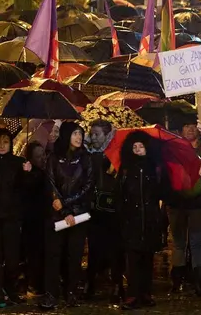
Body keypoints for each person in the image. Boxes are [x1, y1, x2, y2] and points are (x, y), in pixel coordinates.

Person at [40, 122, 94, 310]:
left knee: (74, 255)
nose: (79, 137)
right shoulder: (53, 158)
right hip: (56, 216)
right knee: (53, 256)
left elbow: (87, 187)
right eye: (74, 133)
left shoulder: (86, 159)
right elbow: (51, 185)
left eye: (80, 133)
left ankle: (71, 291)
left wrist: (70, 210)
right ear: (66, 136)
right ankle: (51, 294)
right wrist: (63, 211)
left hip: (78, 216)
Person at [116, 131, 171, 310]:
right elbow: (119, 194)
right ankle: (132, 294)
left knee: (147, 258)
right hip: (131, 219)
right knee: (132, 260)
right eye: (135, 147)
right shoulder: (125, 169)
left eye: (141, 146)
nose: (138, 150)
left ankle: (146, 293)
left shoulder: (155, 168)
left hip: (150, 219)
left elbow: (163, 192)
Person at [0, 129, 32, 309]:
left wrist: (27, 172)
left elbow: (27, 189)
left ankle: (10, 290)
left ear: (11, 144)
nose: (2, 145)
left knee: (12, 259)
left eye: (6, 141)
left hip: (11, 218)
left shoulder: (18, 163)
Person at [168, 118, 201, 296]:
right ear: (180, 130)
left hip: (198, 204)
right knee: (178, 243)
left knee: (198, 243)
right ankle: (177, 280)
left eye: (193, 126)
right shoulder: (172, 151)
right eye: (186, 125)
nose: (190, 129)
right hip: (176, 203)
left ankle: (198, 281)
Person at [84, 120, 125, 303]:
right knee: (94, 248)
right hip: (94, 208)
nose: (93, 138)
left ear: (107, 135)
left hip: (113, 209)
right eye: (91, 134)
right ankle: (90, 283)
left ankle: (117, 284)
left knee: (115, 249)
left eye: (97, 134)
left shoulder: (116, 155)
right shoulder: (88, 154)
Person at [22, 142, 48, 298]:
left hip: (45, 218)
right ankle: (34, 283)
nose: (42, 158)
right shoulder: (30, 173)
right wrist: (27, 174)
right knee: (34, 254)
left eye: (43, 154)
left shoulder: (47, 171)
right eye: (38, 156)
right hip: (32, 220)